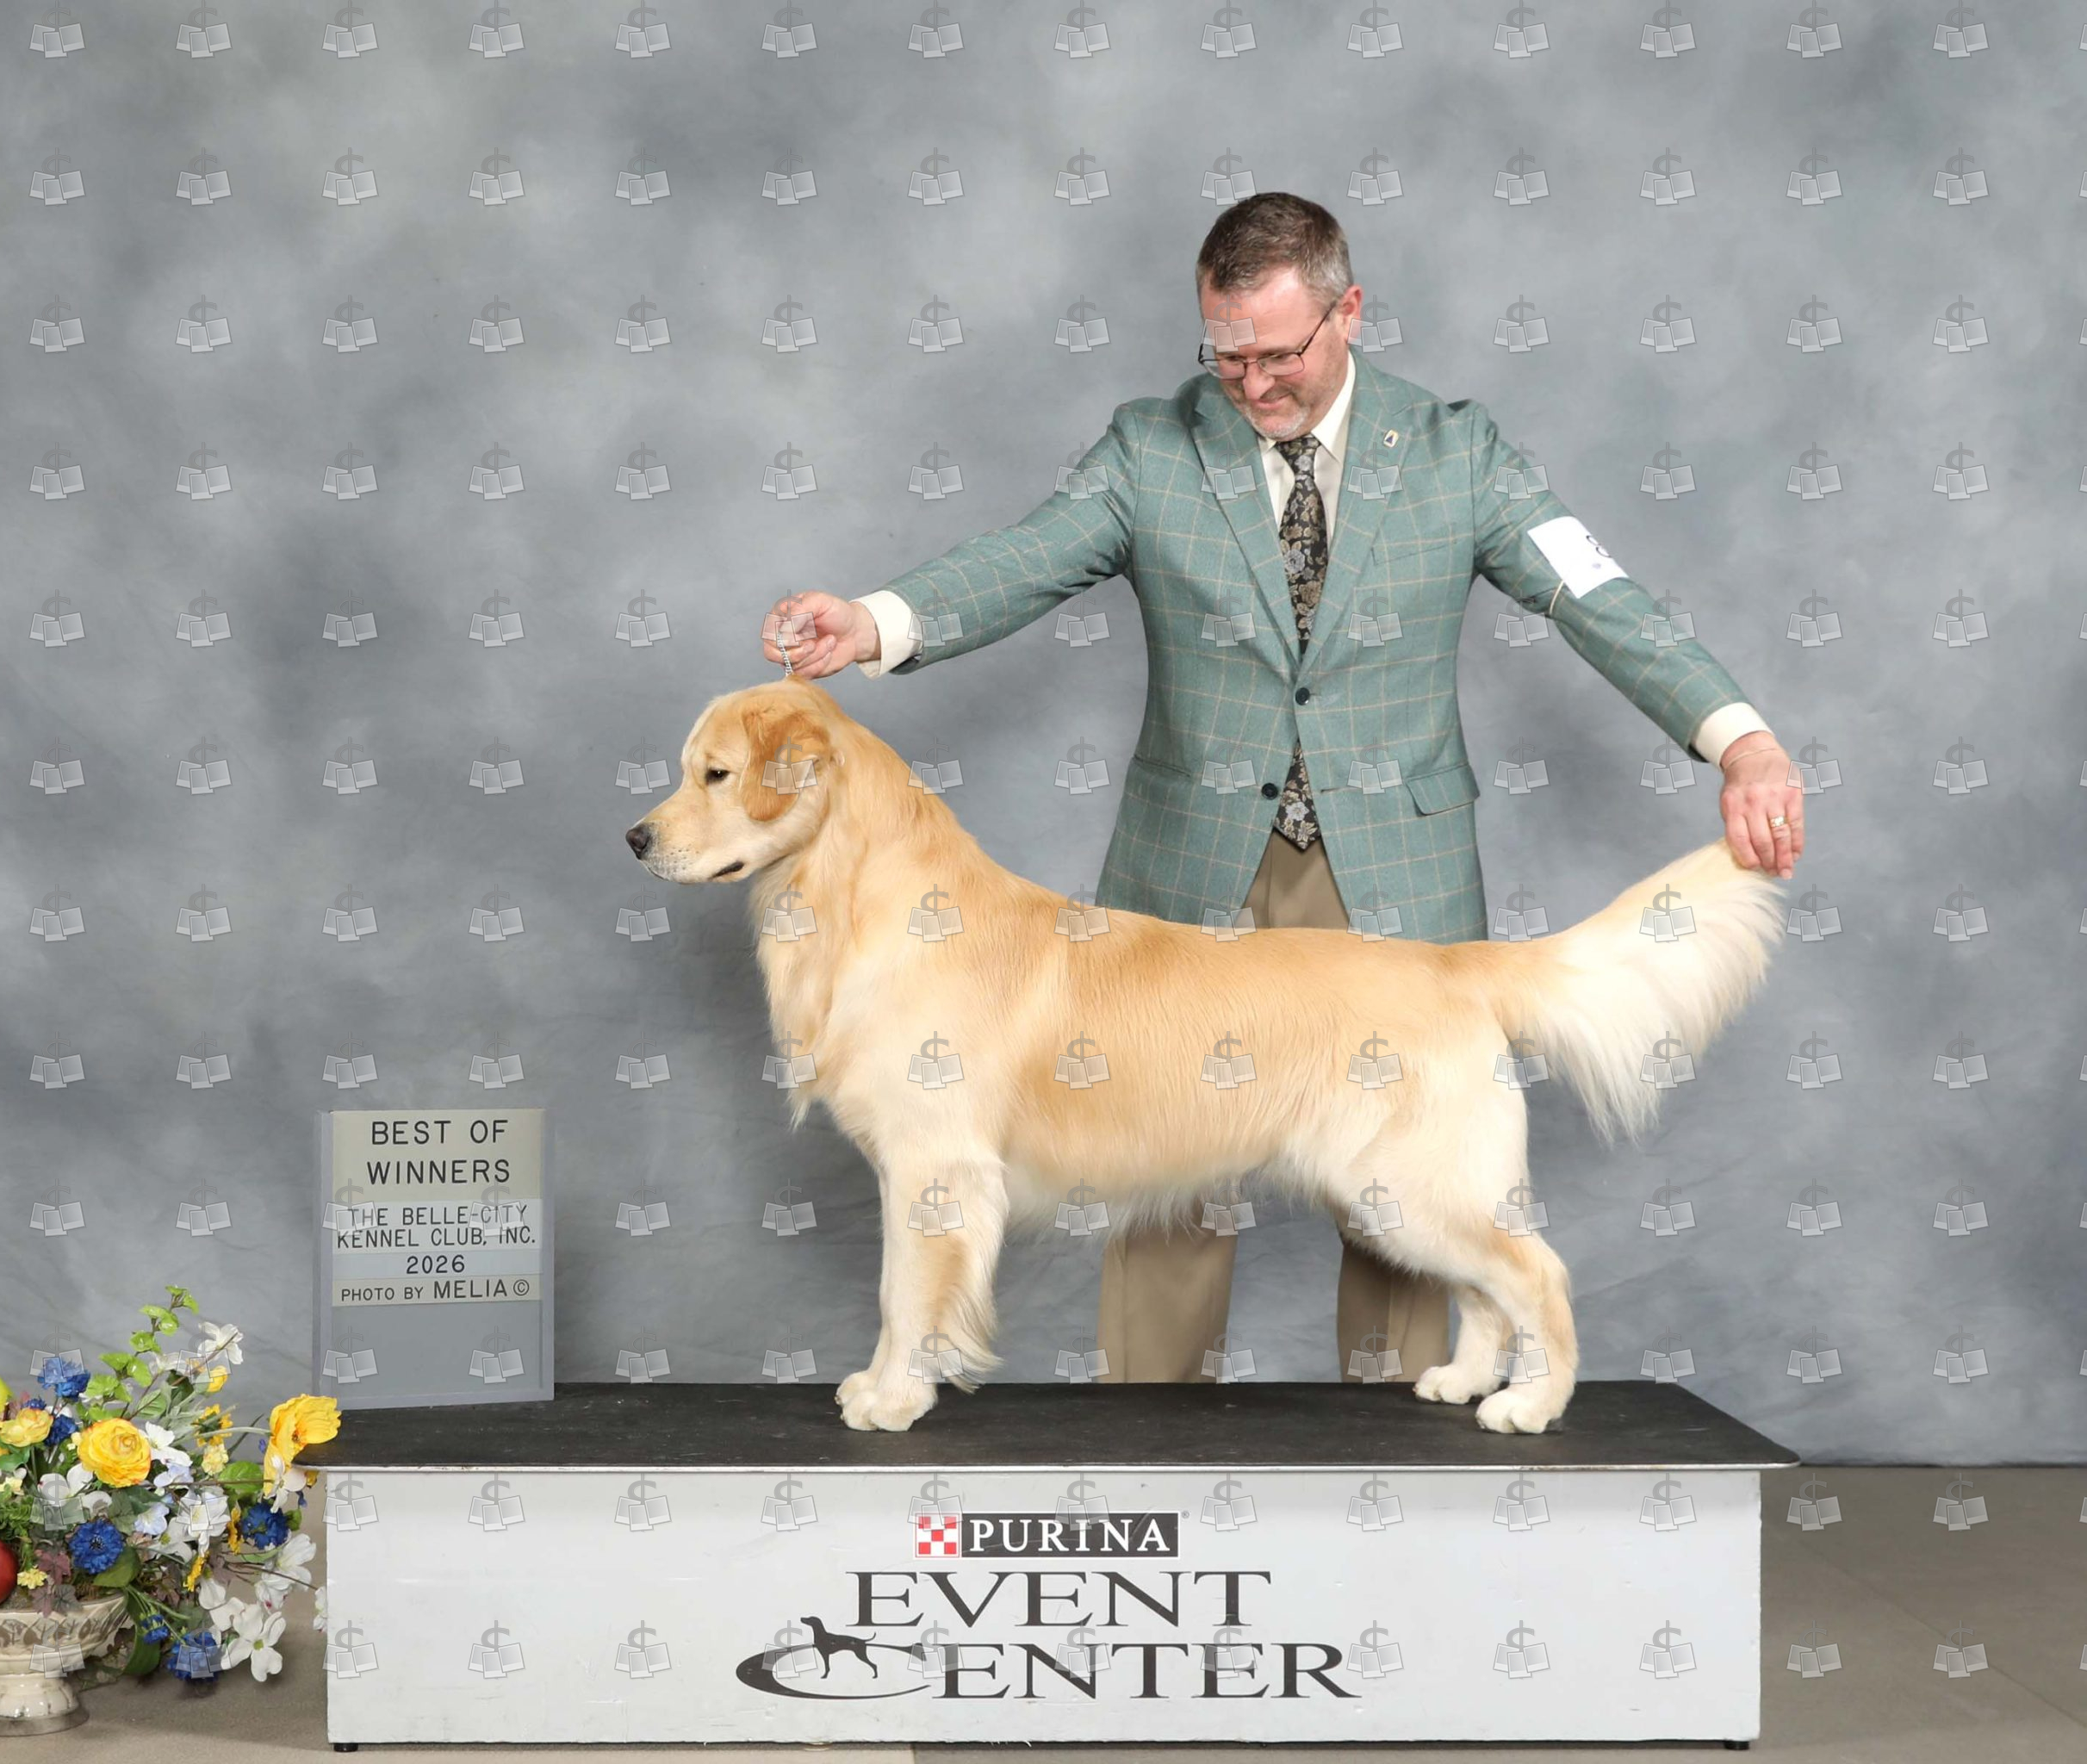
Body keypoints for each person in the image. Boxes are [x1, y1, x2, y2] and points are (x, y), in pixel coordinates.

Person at [758, 190, 1803, 1390]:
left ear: (1349, 312)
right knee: (1152, 1177)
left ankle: (1399, 1449)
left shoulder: (1458, 452)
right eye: (1226, 355)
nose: (1251, 384)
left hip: (1392, 875)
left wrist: (1741, 742)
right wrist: (874, 621)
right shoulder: (1152, 447)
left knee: (1404, 1194)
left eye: (1279, 355)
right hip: (1188, 874)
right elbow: (1021, 559)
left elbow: (1599, 599)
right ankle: (1148, 1440)